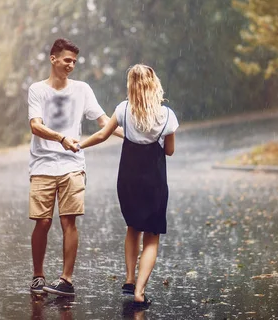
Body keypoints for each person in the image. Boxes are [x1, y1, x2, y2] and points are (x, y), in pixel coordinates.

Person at [27, 38, 122, 297]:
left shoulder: (82, 89)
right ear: (53, 59)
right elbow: (35, 125)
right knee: (43, 222)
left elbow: (105, 122)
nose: (71, 65)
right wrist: (60, 138)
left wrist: (135, 136)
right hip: (43, 164)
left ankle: (66, 280)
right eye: (67, 60)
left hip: (72, 164)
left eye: (74, 62)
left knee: (69, 221)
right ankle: (38, 275)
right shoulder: (37, 90)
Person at [79, 64, 178, 306]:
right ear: (154, 85)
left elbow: (102, 134)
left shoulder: (124, 110)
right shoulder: (167, 116)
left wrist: (78, 144)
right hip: (154, 181)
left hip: (128, 180)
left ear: (131, 87)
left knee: (132, 227)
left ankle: (129, 280)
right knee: (152, 236)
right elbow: (170, 151)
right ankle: (140, 291)